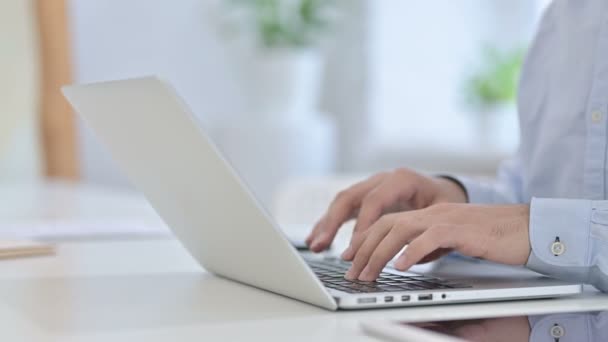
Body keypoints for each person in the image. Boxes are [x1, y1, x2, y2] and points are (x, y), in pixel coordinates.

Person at [306, 0, 608, 292]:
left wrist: (536, 229)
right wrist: (452, 202)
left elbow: (537, 227)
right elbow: (533, 197)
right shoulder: (562, 20)